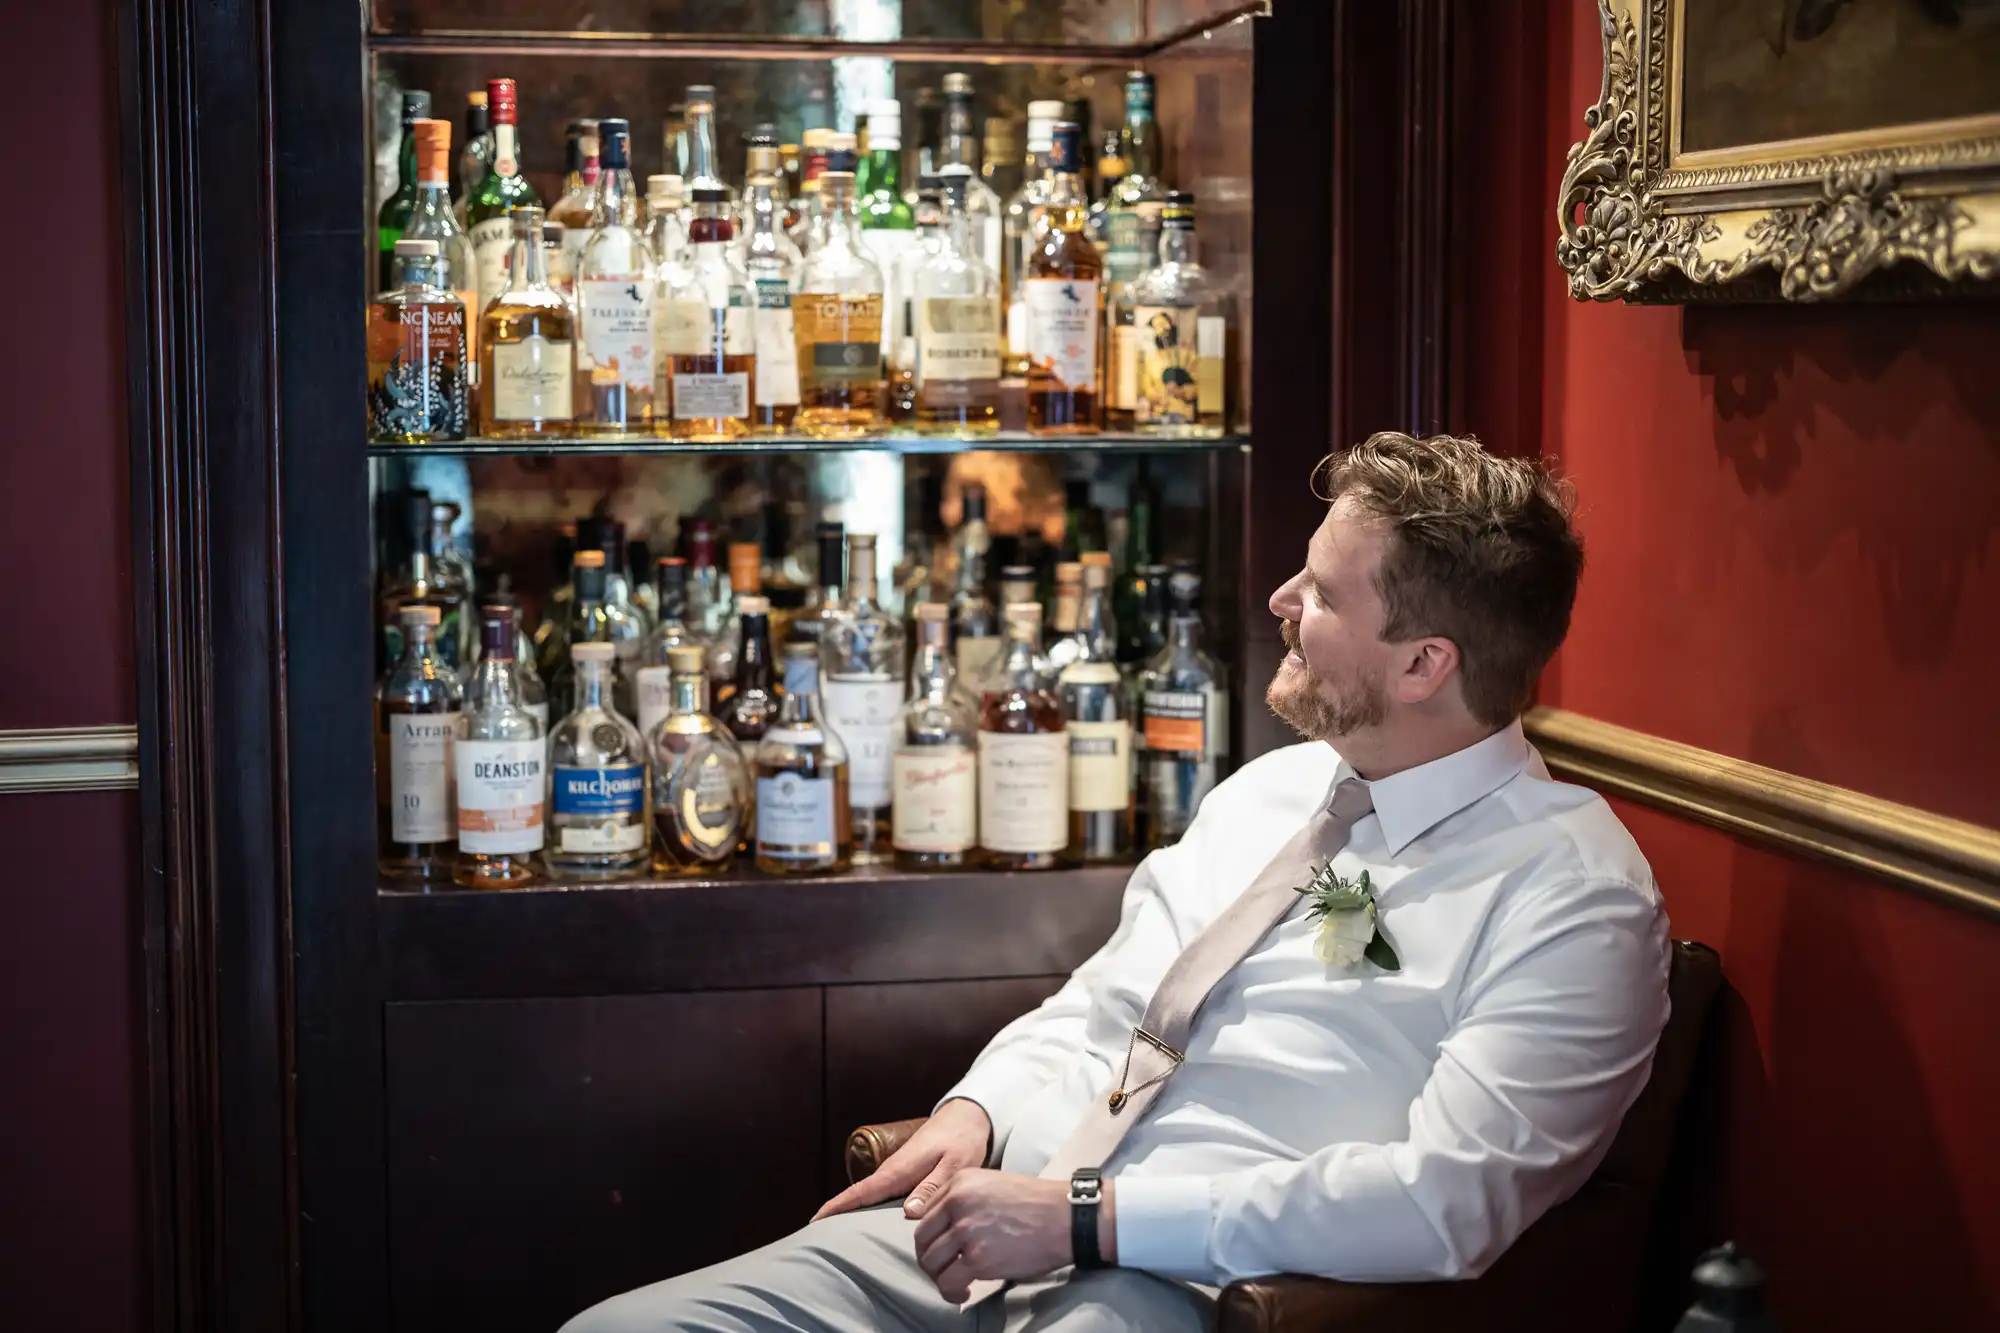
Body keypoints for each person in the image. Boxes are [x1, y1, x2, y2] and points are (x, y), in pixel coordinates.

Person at [563, 432, 1670, 1333]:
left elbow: (1443, 1205)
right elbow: (1100, 1008)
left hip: (1191, 1290)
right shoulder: (1272, 792)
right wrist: (973, 1112)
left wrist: (1085, 1219)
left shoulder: (1571, 896)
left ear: (1425, 662)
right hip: (991, 1226)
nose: (1281, 597)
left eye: (1323, 592)